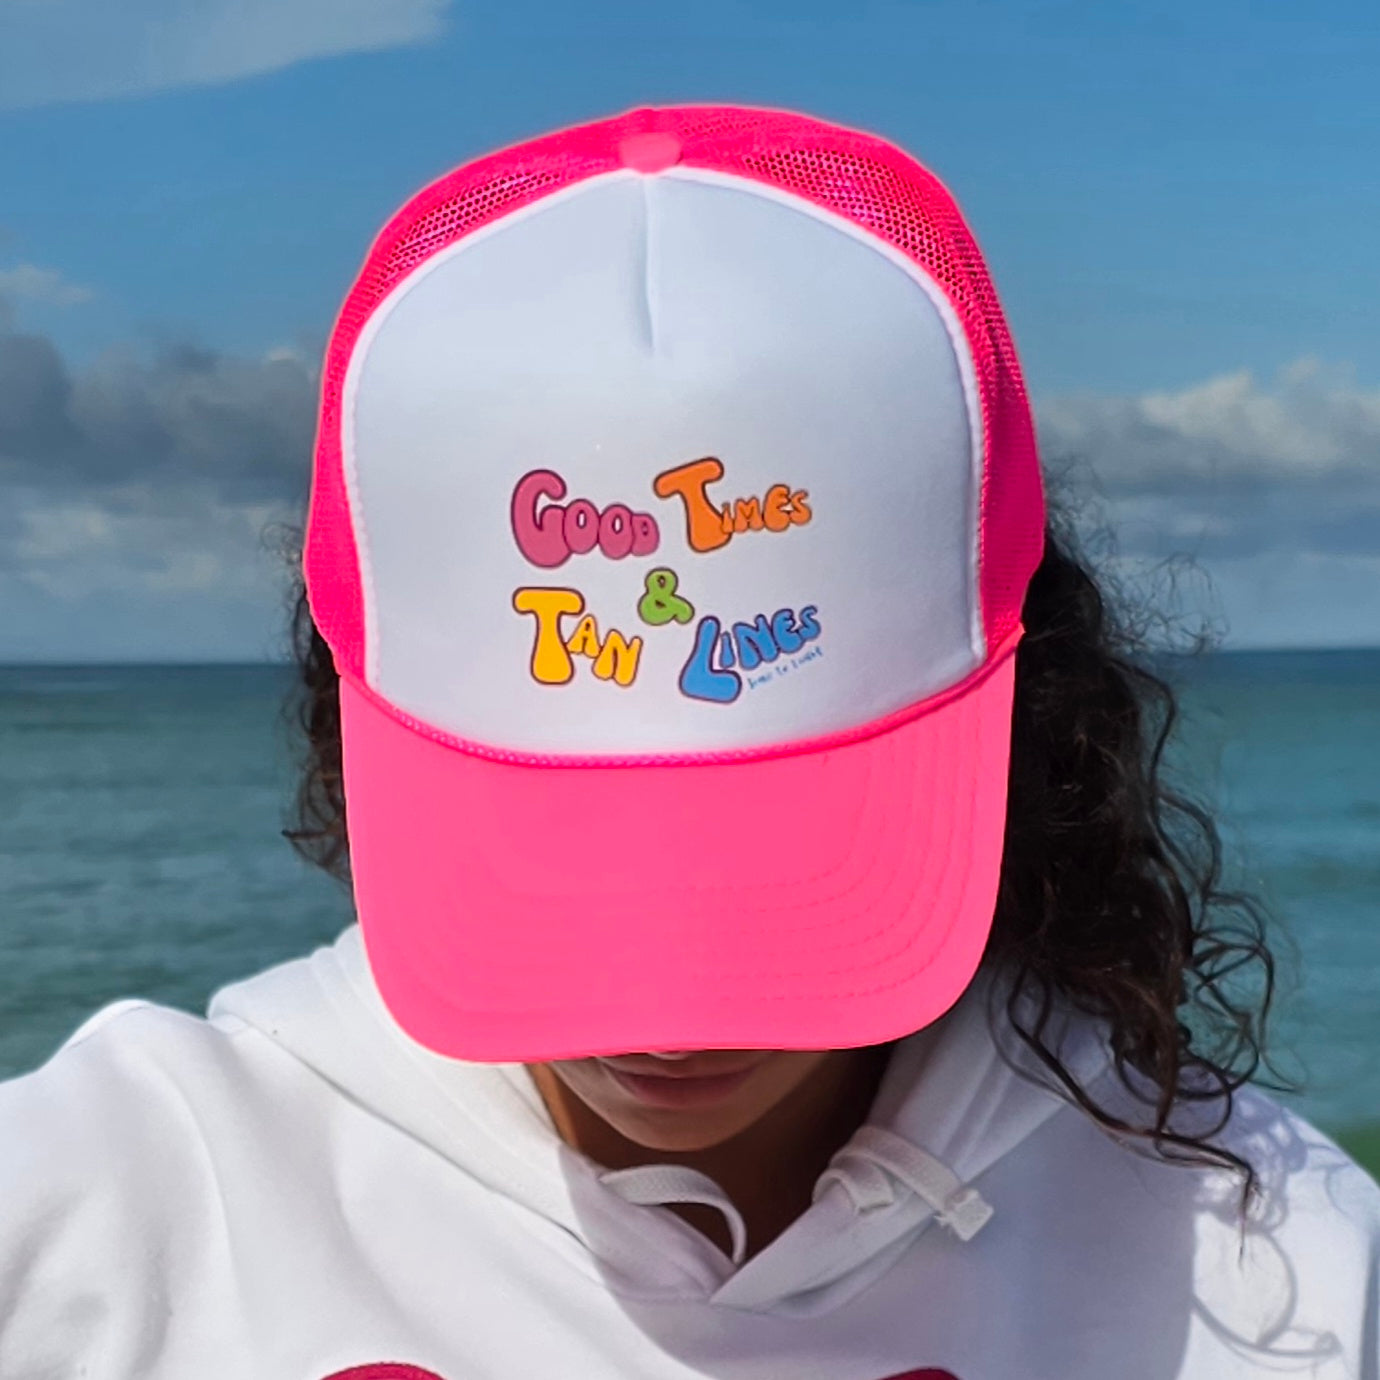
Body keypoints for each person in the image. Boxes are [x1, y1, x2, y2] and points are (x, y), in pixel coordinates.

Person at [0, 104, 1376, 1380]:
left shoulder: (1280, 1272)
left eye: (773, 862)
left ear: (1025, 724)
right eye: (561, 856)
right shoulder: (97, 1208)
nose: (662, 1008)